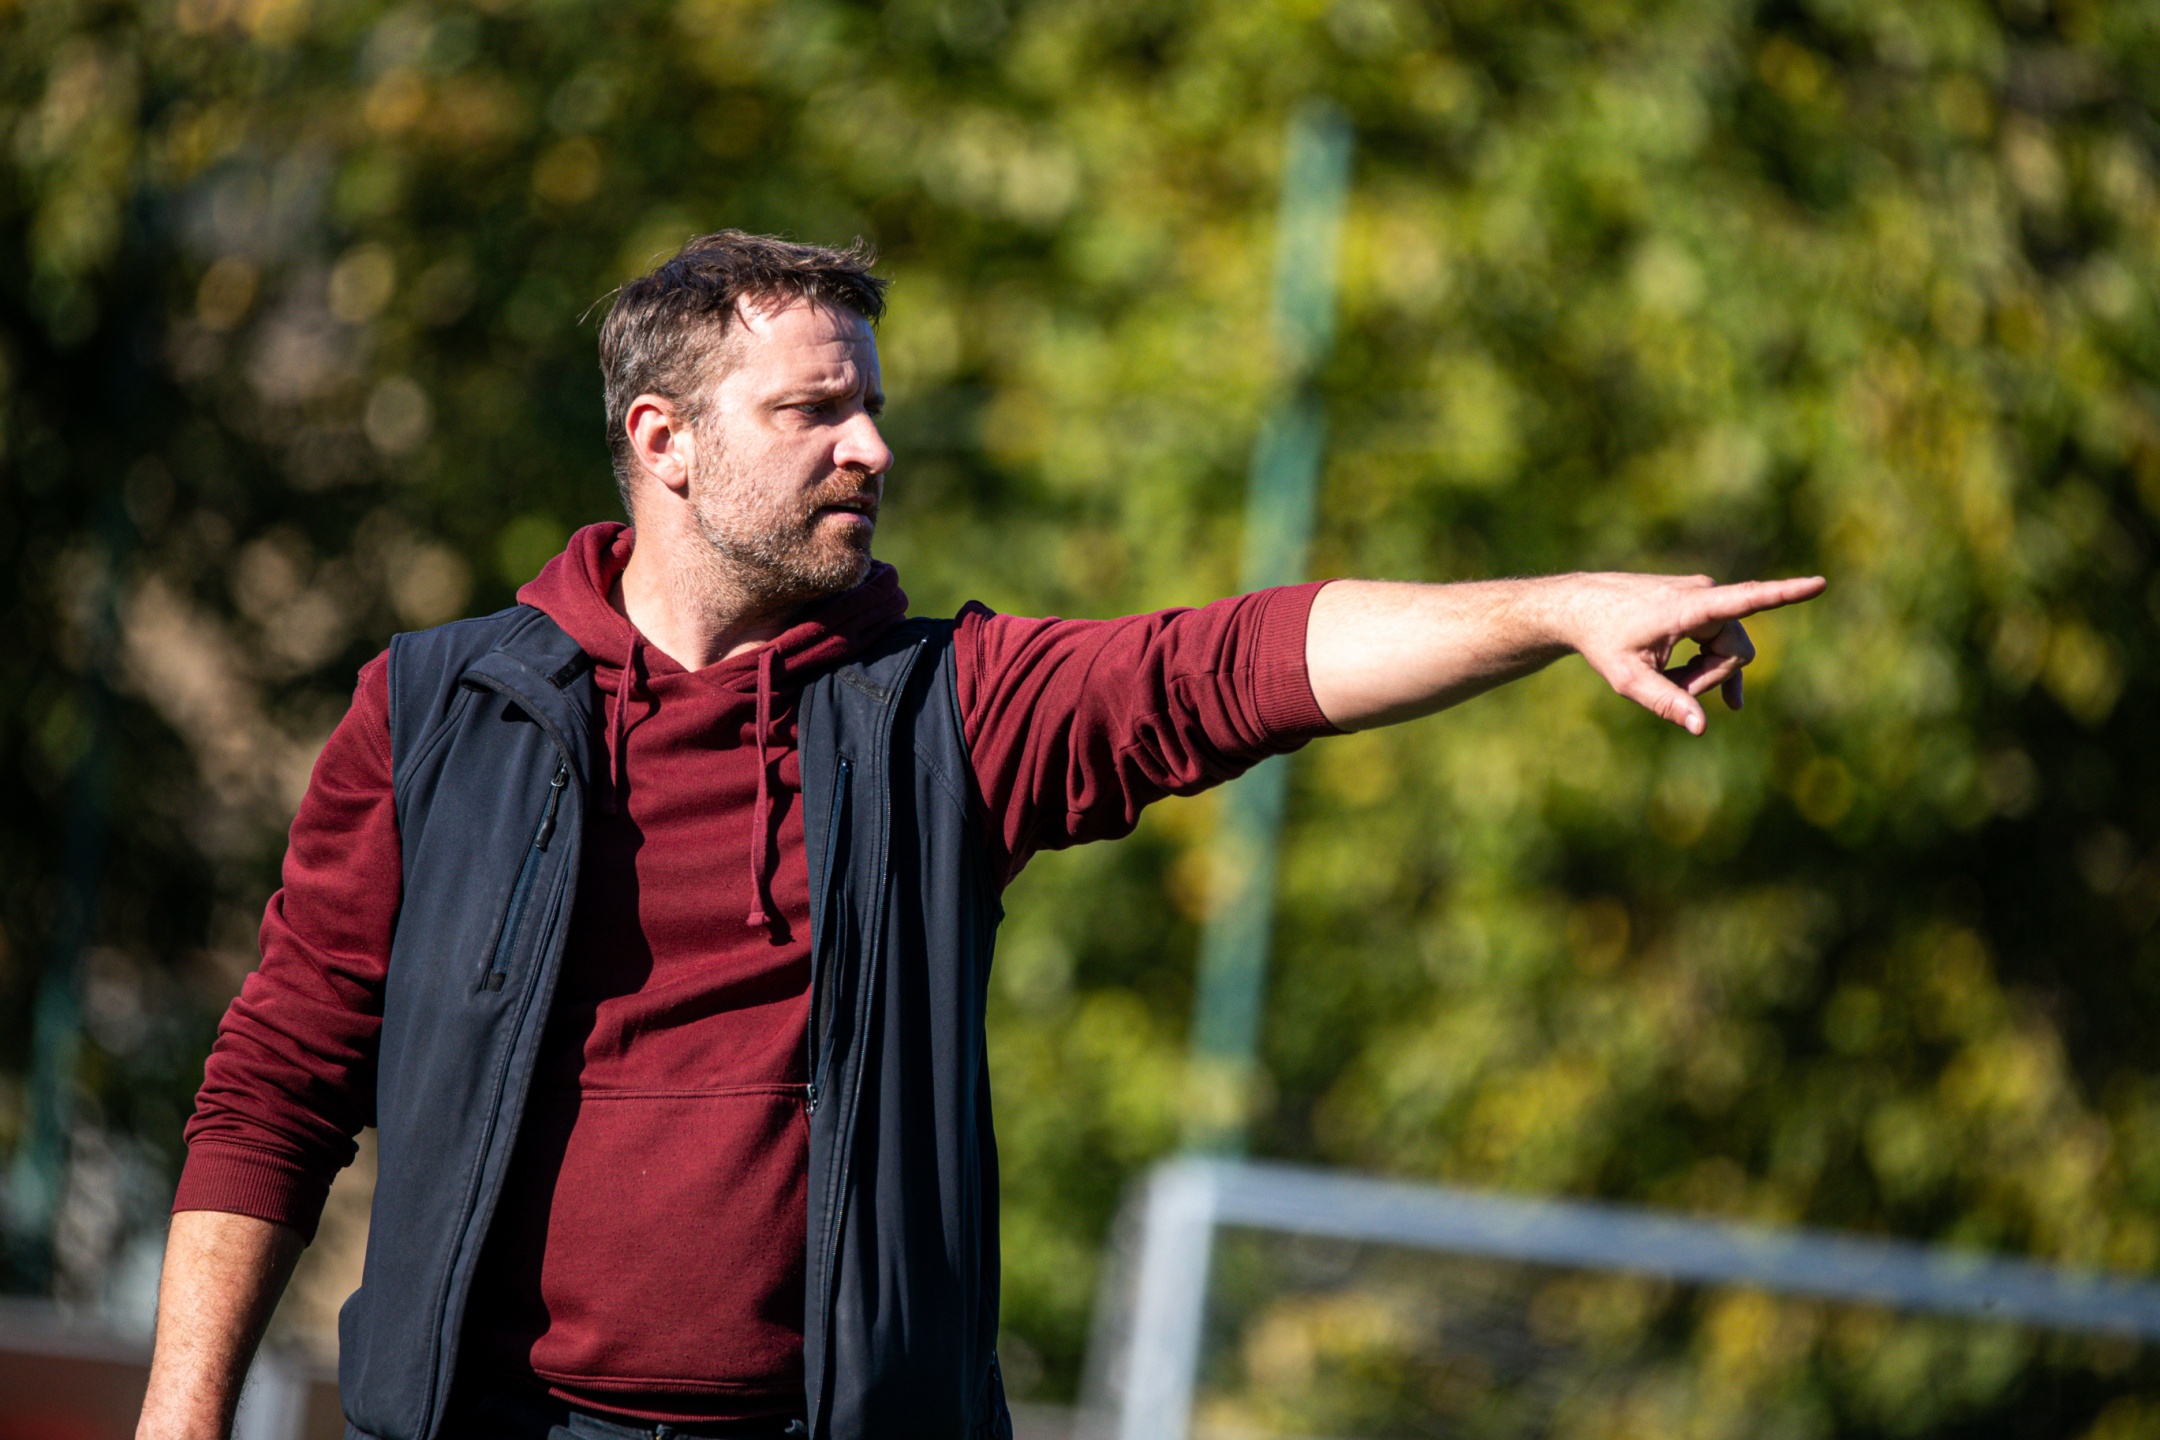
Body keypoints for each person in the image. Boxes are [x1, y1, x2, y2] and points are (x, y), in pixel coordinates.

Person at [136, 232, 1824, 1440]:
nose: (872, 446)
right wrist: (181, 1419)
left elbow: (1237, 665)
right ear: (664, 442)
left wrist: (1549, 610)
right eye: (815, 412)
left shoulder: (943, 708)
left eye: (872, 405)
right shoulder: (440, 712)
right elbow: (279, 1080)